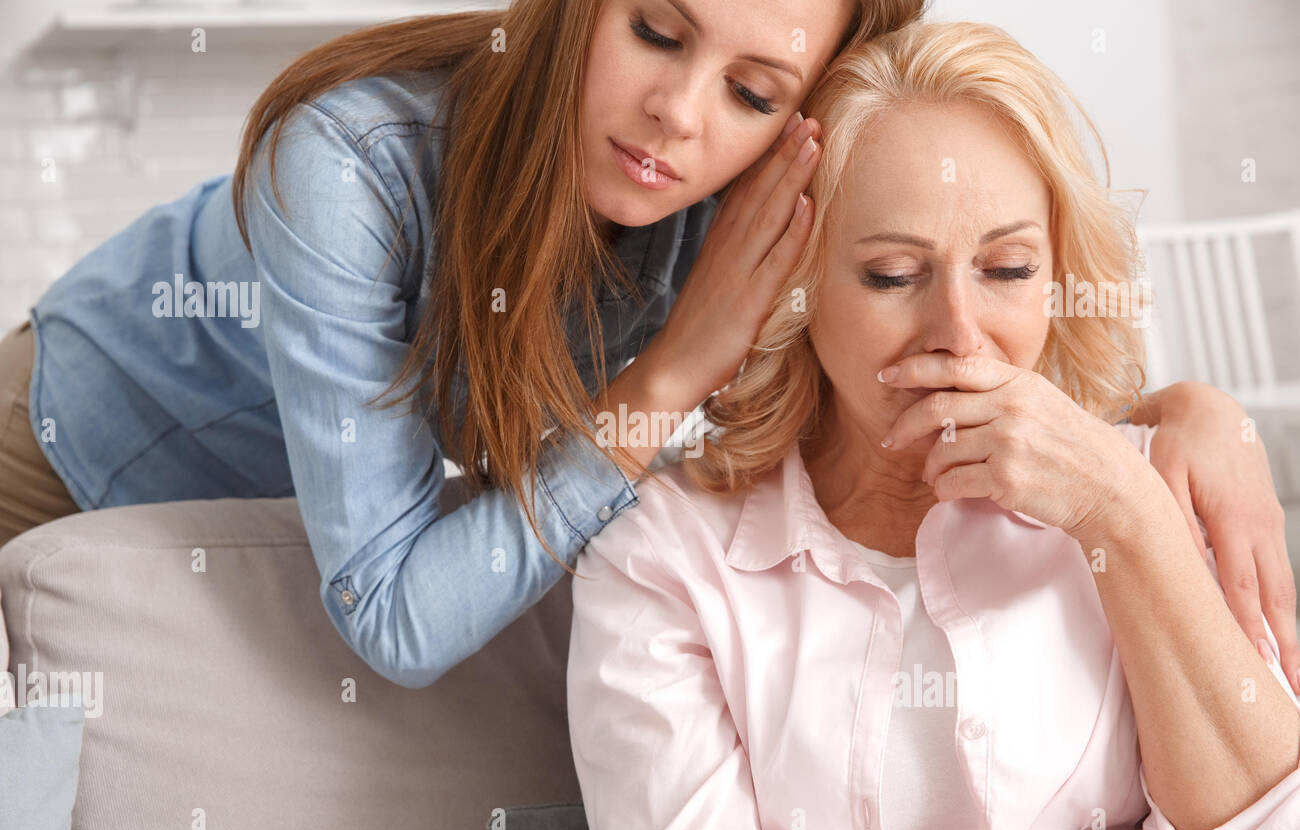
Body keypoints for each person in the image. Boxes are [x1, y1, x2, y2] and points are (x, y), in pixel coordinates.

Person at [0, 1, 1293, 694]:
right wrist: (673, 369)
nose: (676, 117)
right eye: (658, 33)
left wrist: (1188, 413)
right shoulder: (349, 163)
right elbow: (395, 617)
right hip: (67, 438)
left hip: (310, 514)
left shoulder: (753, 195)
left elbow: (958, 330)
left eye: (752, 90)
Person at [566, 19, 1300, 830]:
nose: (959, 333)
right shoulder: (660, 555)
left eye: (1008, 269)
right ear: (794, 290)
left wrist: (1126, 516)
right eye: (892, 276)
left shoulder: (1157, 485)